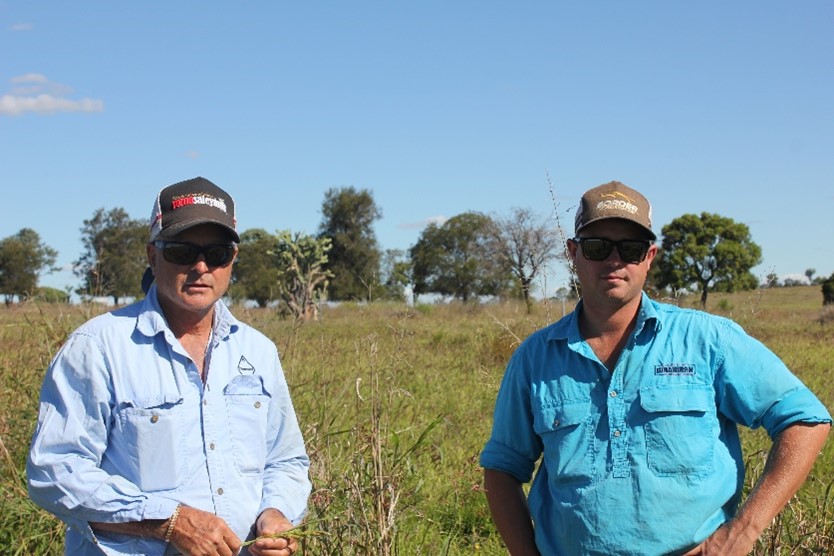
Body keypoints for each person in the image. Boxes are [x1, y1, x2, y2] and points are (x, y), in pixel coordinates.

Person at [480, 180, 831, 555]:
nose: (614, 261)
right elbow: (502, 468)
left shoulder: (707, 339)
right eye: (598, 247)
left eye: (630, 249)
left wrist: (741, 533)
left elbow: (805, 420)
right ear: (573, 253)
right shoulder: (536, 357)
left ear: (649, 256)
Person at [28, 177, 312, 556]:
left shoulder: (259, 351)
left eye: (217, 253)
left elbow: (286, 459)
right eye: (181, 251)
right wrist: (168, 523)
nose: (200, 266)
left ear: (232, 260)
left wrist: (275, 513)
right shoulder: (98, 348)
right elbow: (54, 470)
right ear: (153, 255)